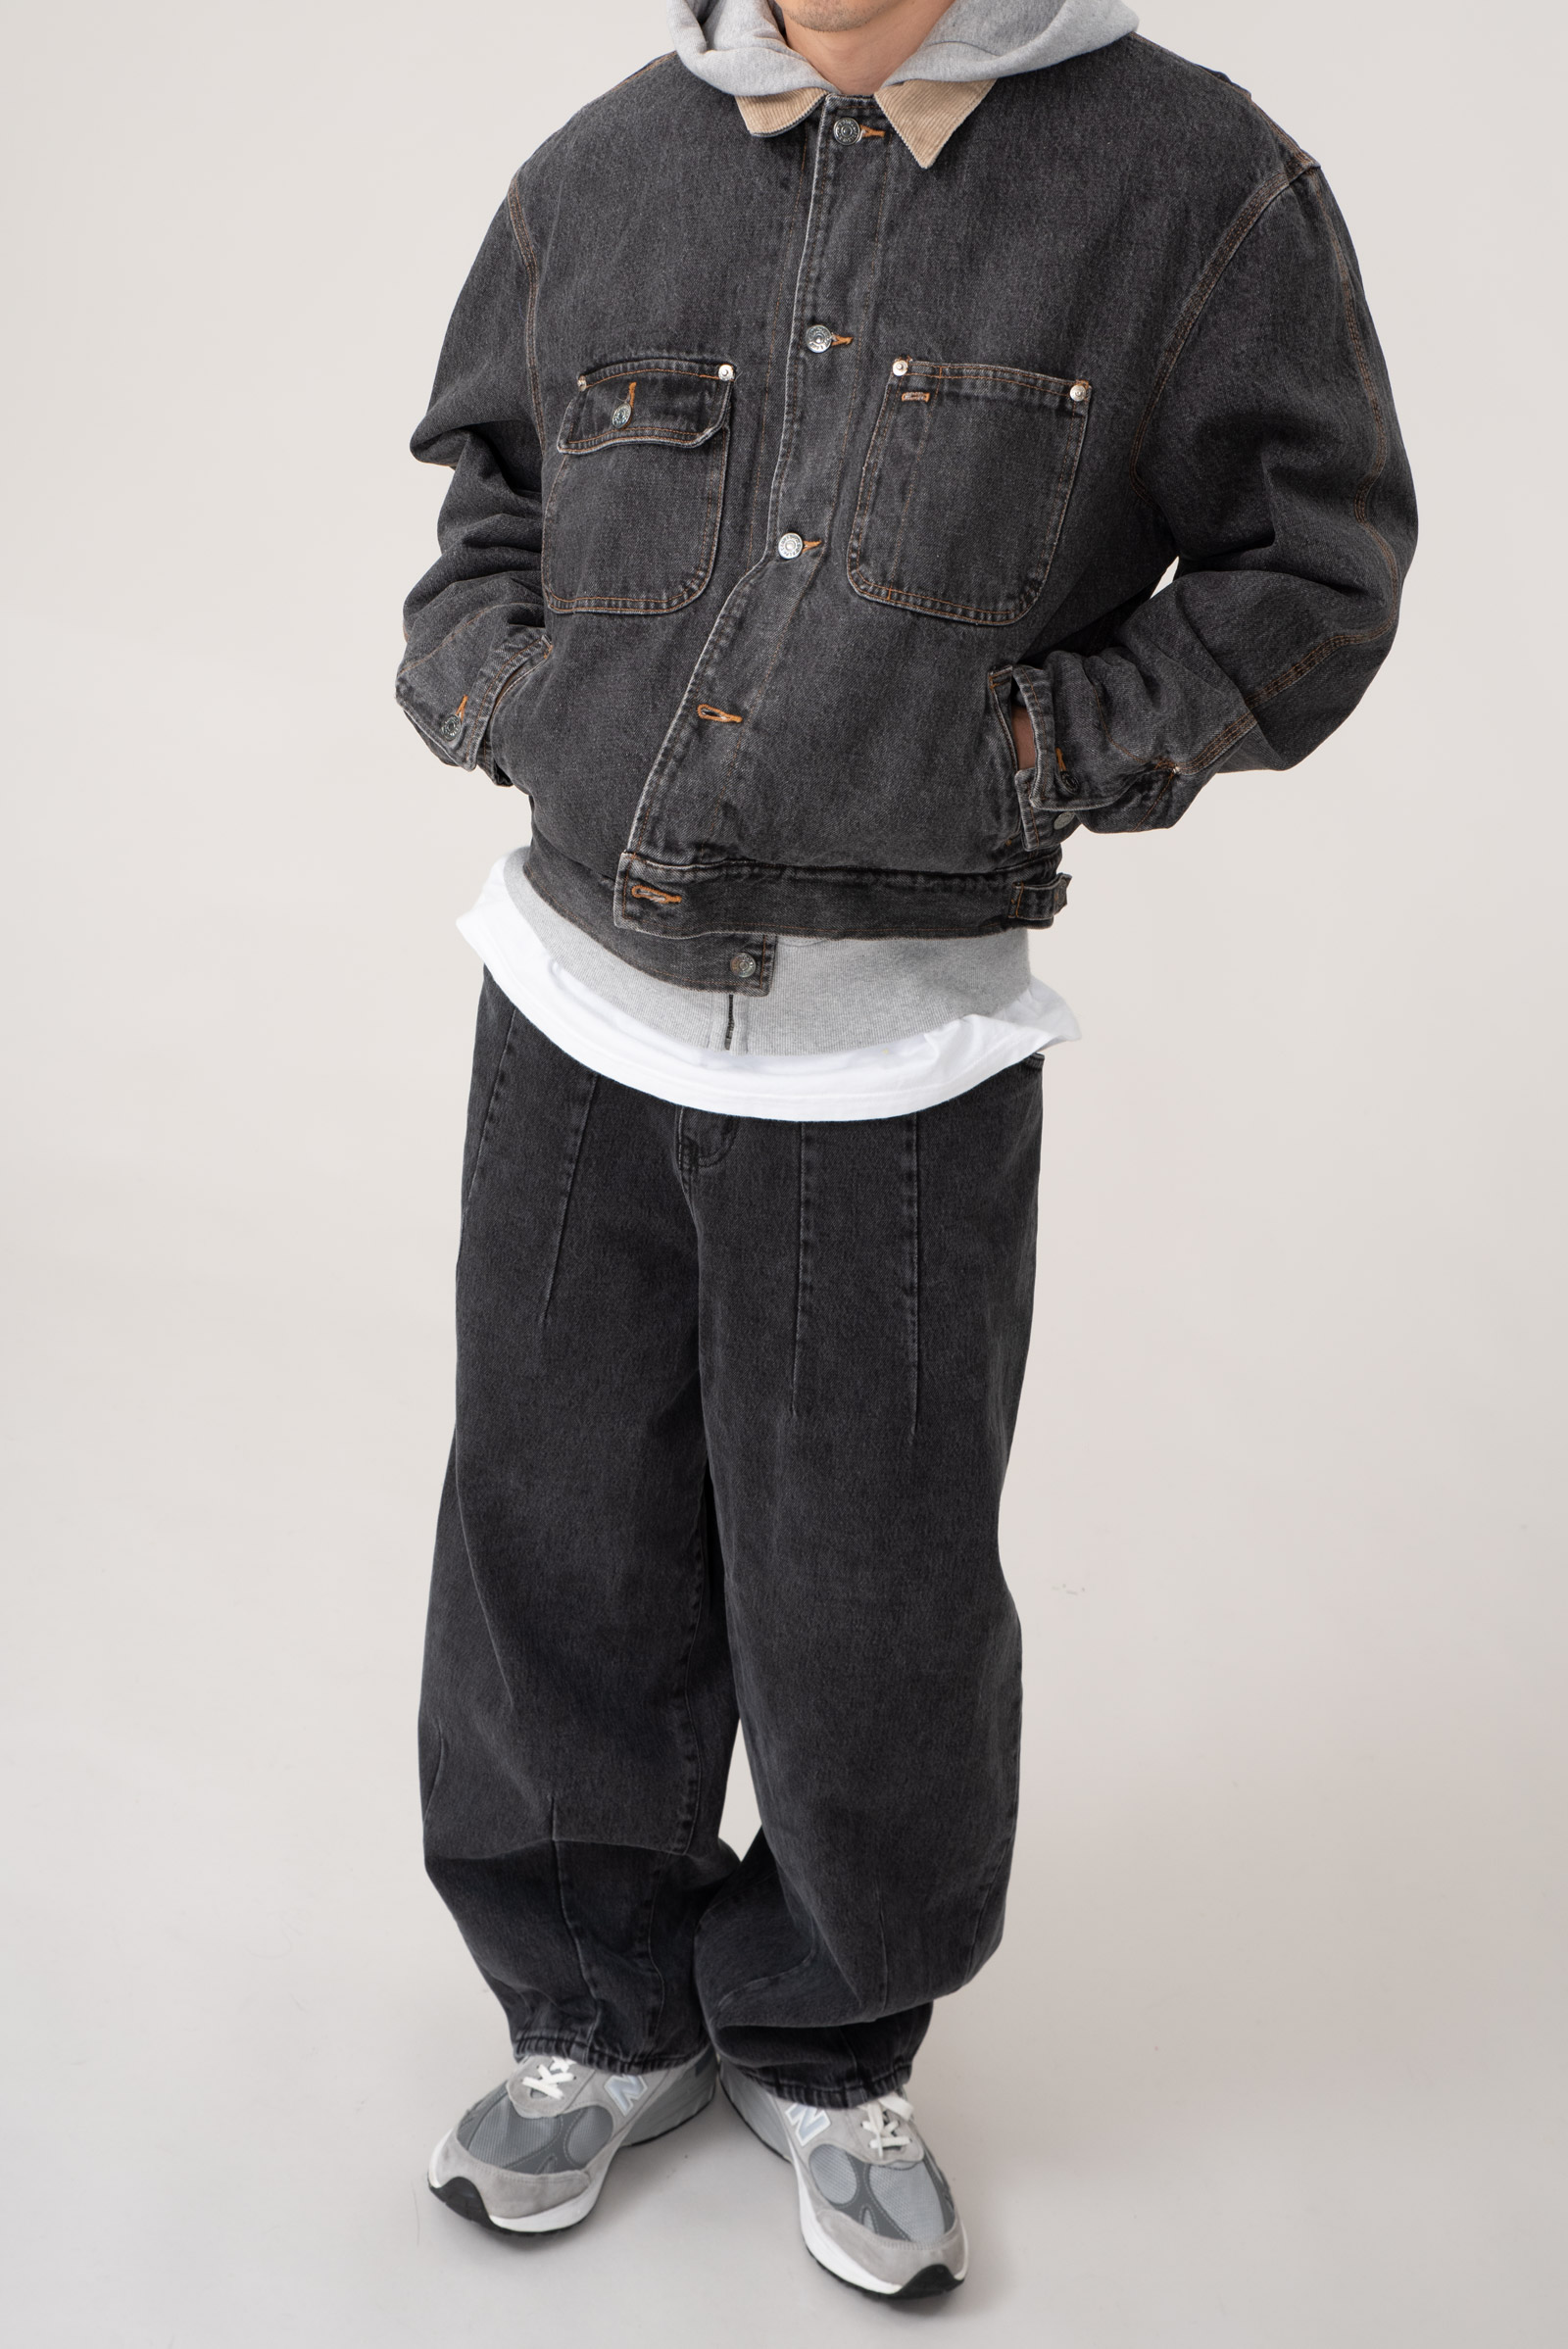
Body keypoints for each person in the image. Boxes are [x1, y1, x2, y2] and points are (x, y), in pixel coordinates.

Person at [398, 0, 1414, 2300]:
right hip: (565, 1014)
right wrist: (521, 701)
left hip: (889, 1068)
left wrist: (1028, 759)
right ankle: (592, 2010)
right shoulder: (604, 164)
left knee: (870, 1603)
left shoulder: (1184, 178)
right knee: (553, 1542)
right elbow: (484, 522)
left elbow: (1311, 565)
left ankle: (829, 2032)